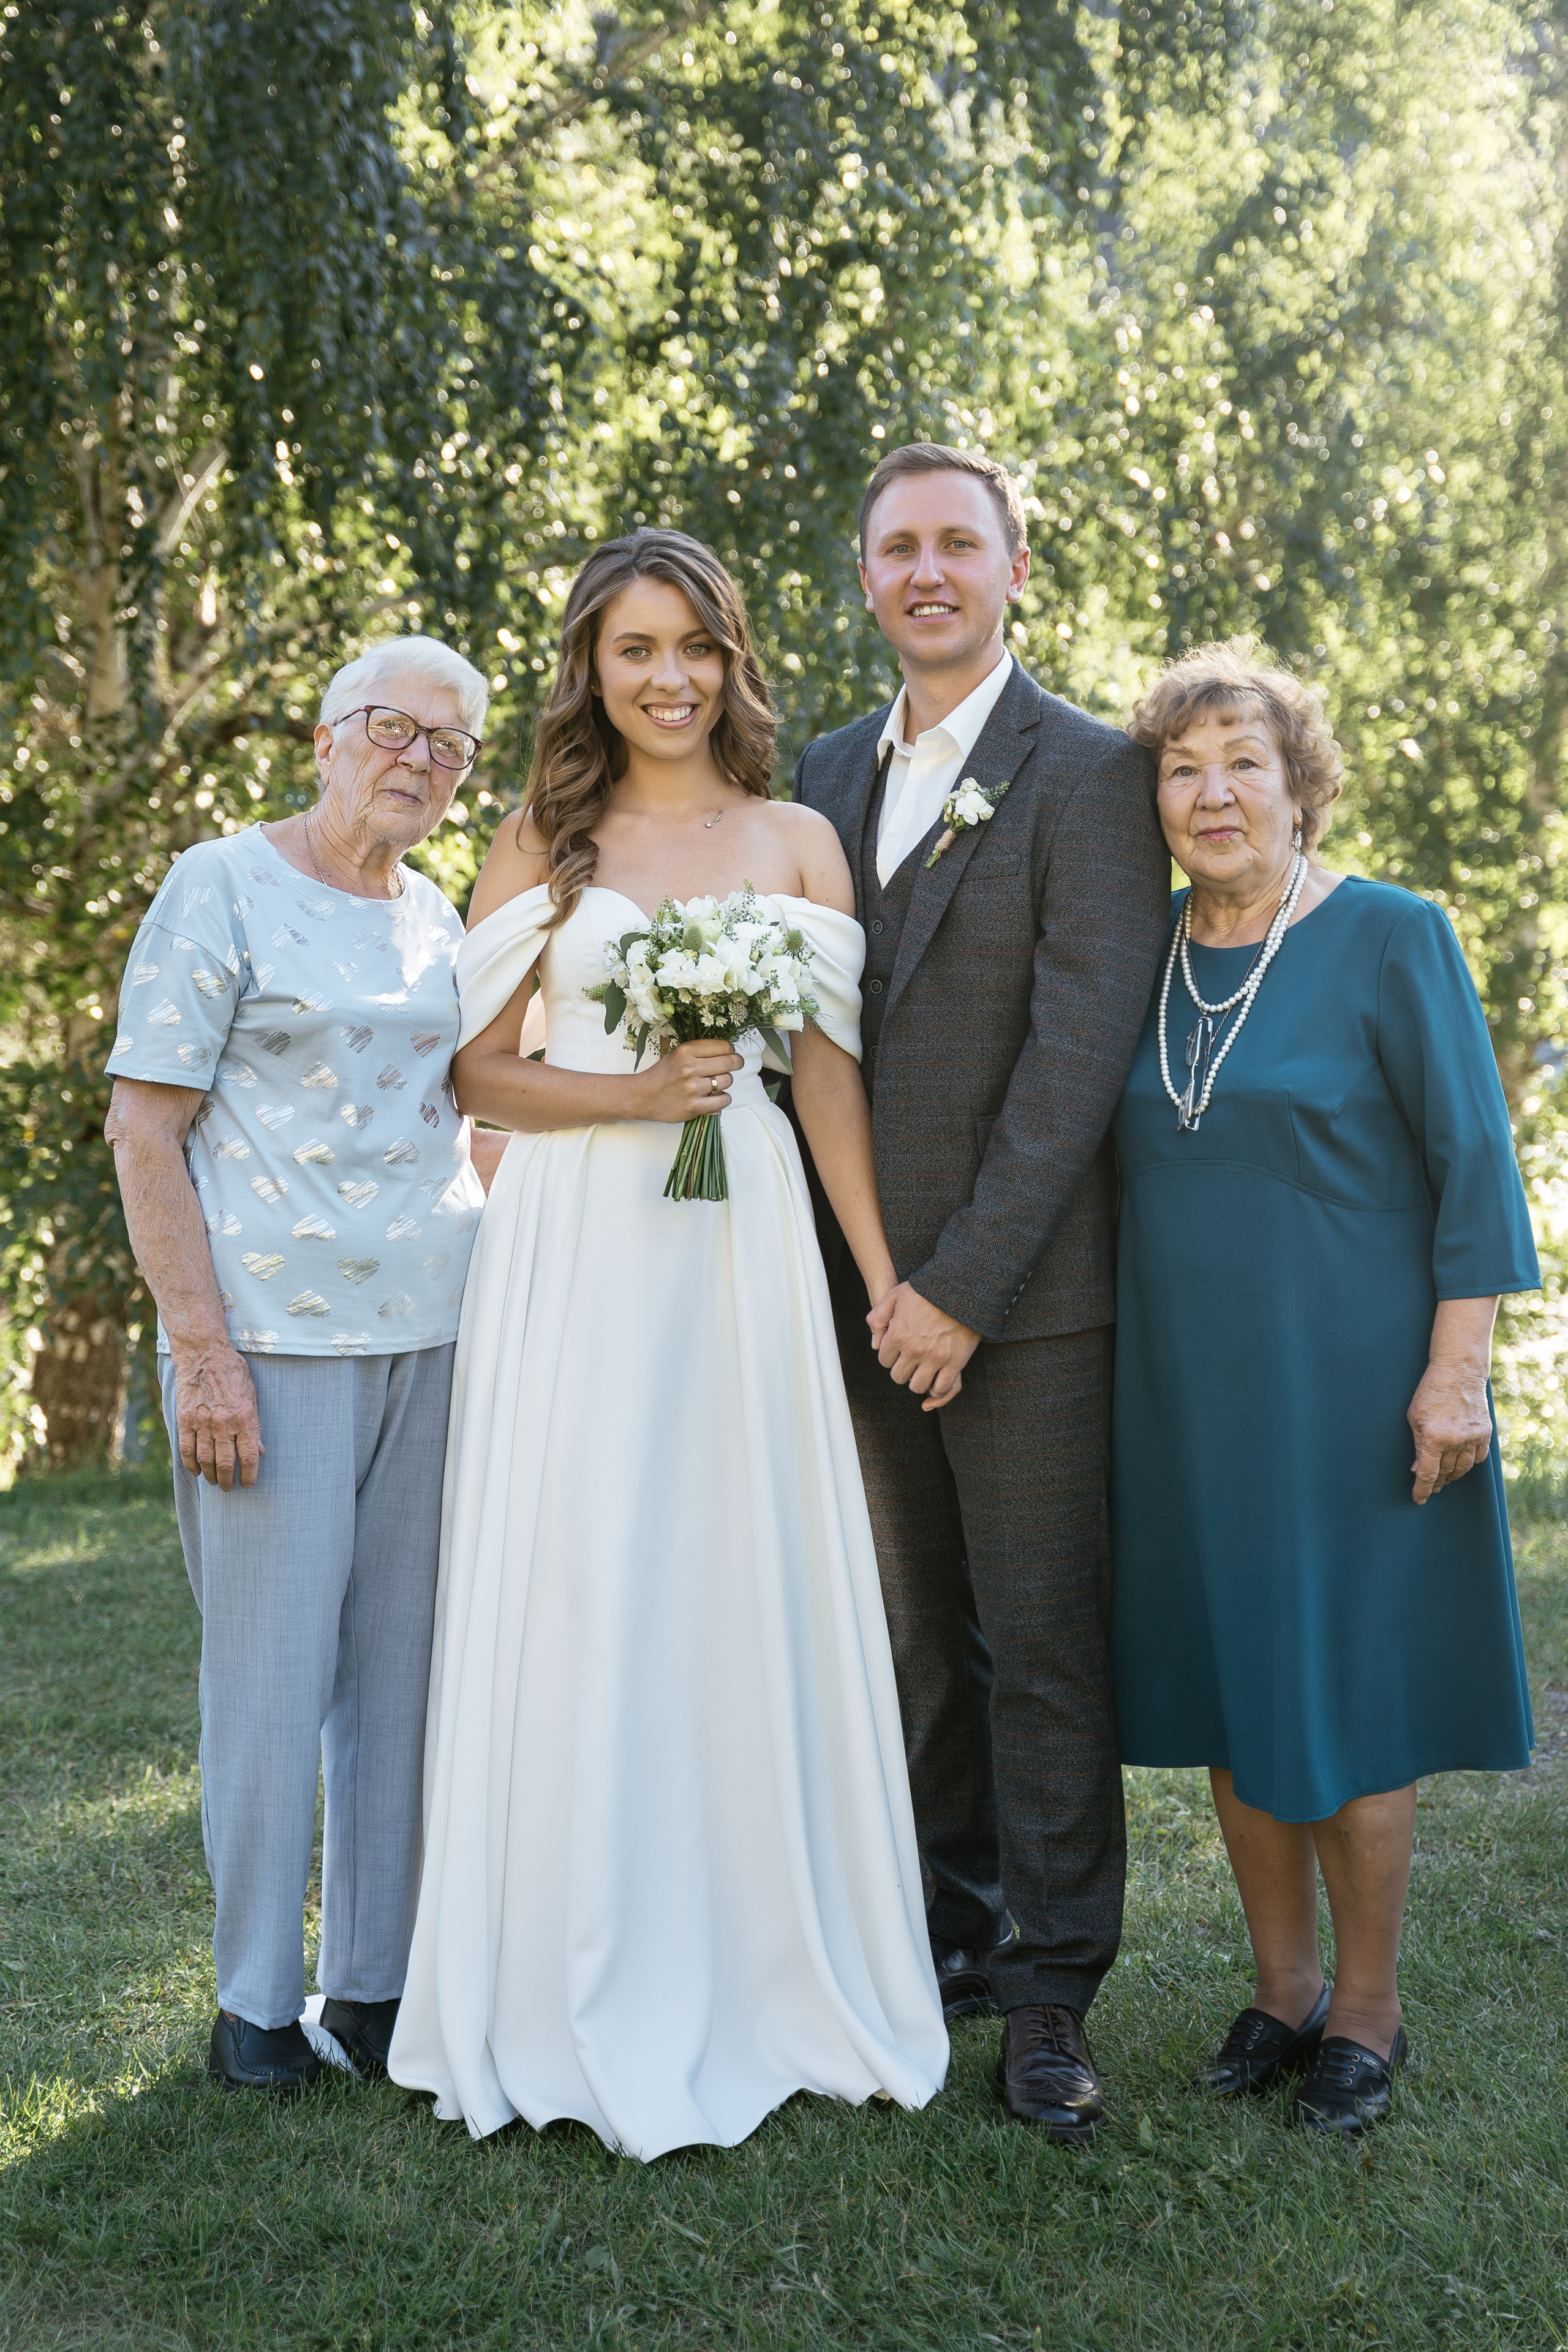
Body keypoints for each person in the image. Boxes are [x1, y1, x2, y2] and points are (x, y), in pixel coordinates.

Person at [387, 529, 949, 2158]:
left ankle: (773, 1960)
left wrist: (880, 1281)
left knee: (733, 1567)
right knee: (585, 1570)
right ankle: (562, 1972)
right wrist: (634, 1094)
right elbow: (479, 1076)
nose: (667, 676)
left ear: (733, 659)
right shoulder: (538, 841)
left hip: (744, 1240)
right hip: (578, 1246)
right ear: (594, 666)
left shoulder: (794, 840)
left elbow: (829, 1078)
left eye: (694, 645)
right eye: (635, 648)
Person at [791, 442, 1170, 2137]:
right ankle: (939, 1939)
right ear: (865, 580)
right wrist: (881, 1287)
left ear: (1017, 569)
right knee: (908, 1649)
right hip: (851, 1295)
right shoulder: (815, 771)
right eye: (898, 548)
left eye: (961, 543)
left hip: (1021, 1304)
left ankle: (1051, 1992)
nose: (928, 570)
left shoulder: (1091, 773)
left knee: (1037, 1648)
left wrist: (957, 1289)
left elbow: (1079, 1059)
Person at [1110, 639, 1539, 2136]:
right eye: (1181, 766)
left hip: (1356, 1399)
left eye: (1243, 763)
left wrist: (1452, 1378)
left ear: (1302, 791)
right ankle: (1280, 1989)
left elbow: (1470, 1166)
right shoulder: (1136, 947)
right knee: (1240, 1698)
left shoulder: (1386, 935)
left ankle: (1366, 2013)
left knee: (1349, 1709)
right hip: (1180, 1405)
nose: (1211, 792)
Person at [104, 636, 503, 2094]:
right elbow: (145, 1130)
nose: (418, 760)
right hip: (269, 1344)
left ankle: (375, 1990)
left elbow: (466, 1120)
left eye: (451, 749)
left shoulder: (440, 916)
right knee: (272, 1680)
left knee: (401, 1678)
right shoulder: (221, 880)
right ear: (328, 736)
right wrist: (198, 1351)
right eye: (394, 729)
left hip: (437, 1337)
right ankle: (255, 2005)